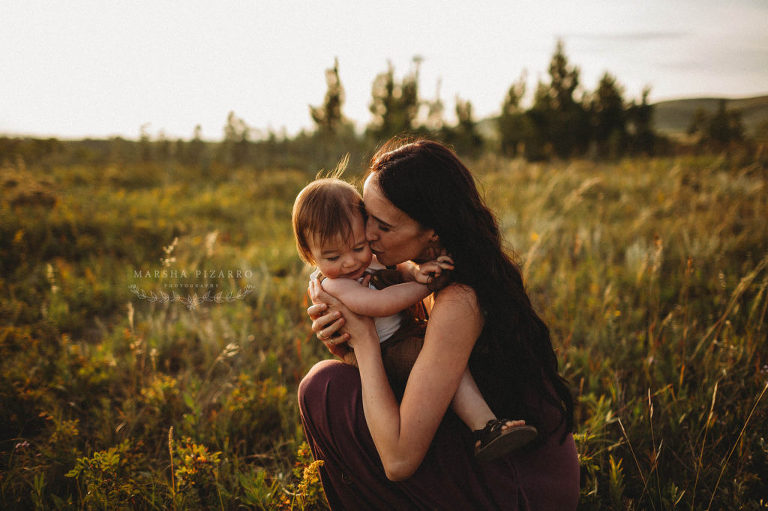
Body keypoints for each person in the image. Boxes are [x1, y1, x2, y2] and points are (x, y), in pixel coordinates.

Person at [299, 139, 579, 510]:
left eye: (383, 225)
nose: (365, 235)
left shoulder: (458, 298)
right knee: (331, 381)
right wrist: (344, 342)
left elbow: (399, 463)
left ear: (432, 230)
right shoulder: (433, 271)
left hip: (521, 488)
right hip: (493, 463)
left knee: (325, 388)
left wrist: (364, 340)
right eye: (366, 216)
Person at [291, 177, 538, 462]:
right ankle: (484, 427)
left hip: (405, 334)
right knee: (439, 362)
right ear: (310, 254)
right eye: (333, 257)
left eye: (358, 248)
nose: (350, 262)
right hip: (388, 350)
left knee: (447, 364)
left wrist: (416, 273)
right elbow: (380, 303)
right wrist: (425, 287)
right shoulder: (333, 285)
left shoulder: (362, 259)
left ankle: (486, 426)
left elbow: (397, 269)